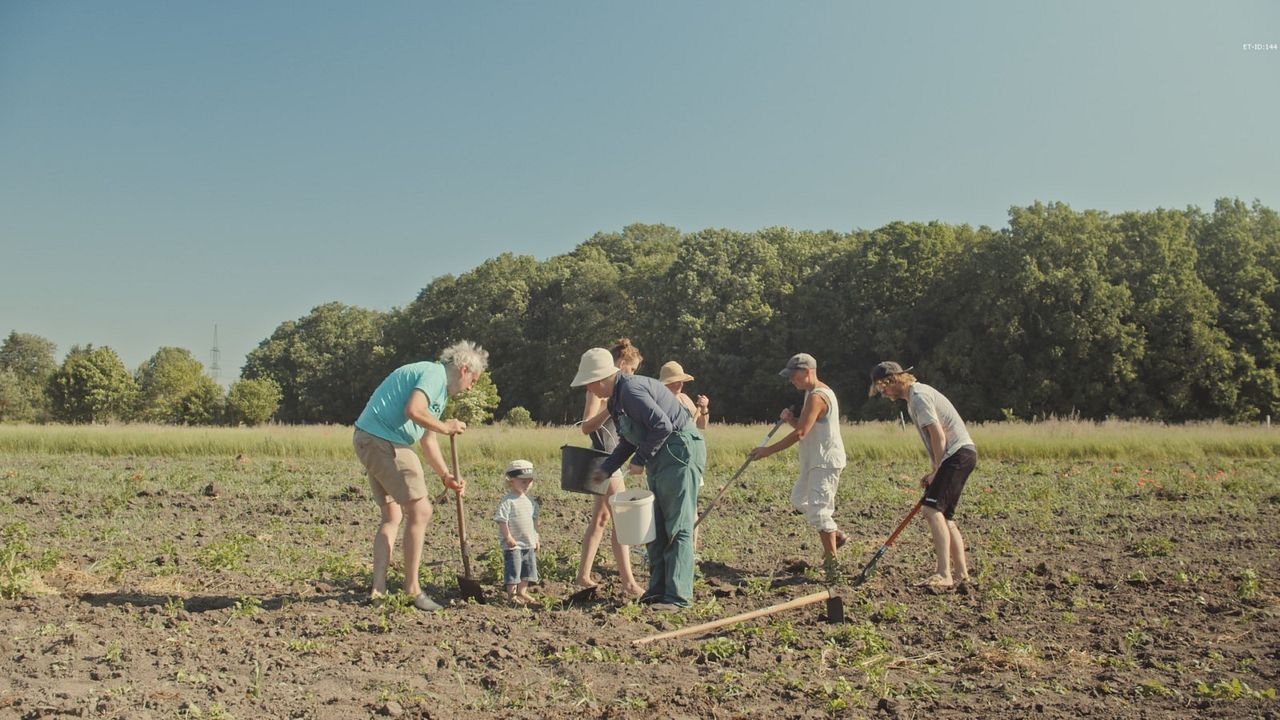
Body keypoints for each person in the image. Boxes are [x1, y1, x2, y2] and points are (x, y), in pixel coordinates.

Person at [351, 341, 488, 611]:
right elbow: (413, 411)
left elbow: (427, 438)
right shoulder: (433, 375)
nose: (471, 387)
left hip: (369, 438)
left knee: (392, 515)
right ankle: (412, 590)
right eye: (474, 380)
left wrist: (446, 475)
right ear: (464, 370)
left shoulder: (437, 390)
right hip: (384, 440)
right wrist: (446, 426)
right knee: (421, 510)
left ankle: (378, 590)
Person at [574, 347, 706, 609]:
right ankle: (657, 590)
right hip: (662, 455)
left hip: (680, 452)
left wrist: (640, 460)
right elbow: (627, 440)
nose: (589, 390)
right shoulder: (616, 400)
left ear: (600, 379)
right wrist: (607, 468)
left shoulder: (632, 391)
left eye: (589, 384)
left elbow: (662, 426)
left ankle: (678, 597)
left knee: (677, 525)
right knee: (656, 525)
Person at [869, 361, 976, 590]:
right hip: (960, 454)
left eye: (882, 387)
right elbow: (935, 439)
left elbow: (938, 435)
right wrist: (934, 469)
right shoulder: (913, 399)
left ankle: (944, 574)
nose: (882, 392)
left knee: (931, 509)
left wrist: (937, 469)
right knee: (945, 516)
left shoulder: (918, 396)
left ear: (894, 380)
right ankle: (961, 575)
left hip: (956, 454)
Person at [749, 353, 848, 583]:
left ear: (807, 371)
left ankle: (832, 567)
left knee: (820, 511)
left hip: (825, 462)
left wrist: (767, 451)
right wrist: (790, 419)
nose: (791, 381)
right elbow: (806, 427)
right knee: (798, 499)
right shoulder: (809, 394)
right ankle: (836, 535)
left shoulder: (818, 396)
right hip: (813, 460)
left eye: (793, 376)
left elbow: (801, 433)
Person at [575, 338, 644, 597]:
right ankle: (629, 583)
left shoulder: (622, 391)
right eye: (633, 369)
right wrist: (610, 407)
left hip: (611, 457)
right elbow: (586, 426)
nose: (633, 375)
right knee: (622, 518)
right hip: (602, 457)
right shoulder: (597, 388)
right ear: (622, 364)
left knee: (602, 518)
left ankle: (583, 575)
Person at [494, 459, 540, 604]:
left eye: (529, 481)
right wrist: (507, 536)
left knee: (527, 569)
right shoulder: (508, 501)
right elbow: (502, 520)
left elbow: (534, 522)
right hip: (514, 544)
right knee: (514, 569)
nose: (526, 485)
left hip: (528, 542)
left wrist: (536, 538)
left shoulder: (531, 502)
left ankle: (522, 591)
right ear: (511, 481)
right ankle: (512, 595)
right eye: (522, 482)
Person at [658, 360, 711, 430]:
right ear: (667, 382)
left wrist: (704, 408)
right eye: (677, 381)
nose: (681, 384)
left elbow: (701, 425)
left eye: (681, 381)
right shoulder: (658, 401)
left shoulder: (684, 398)